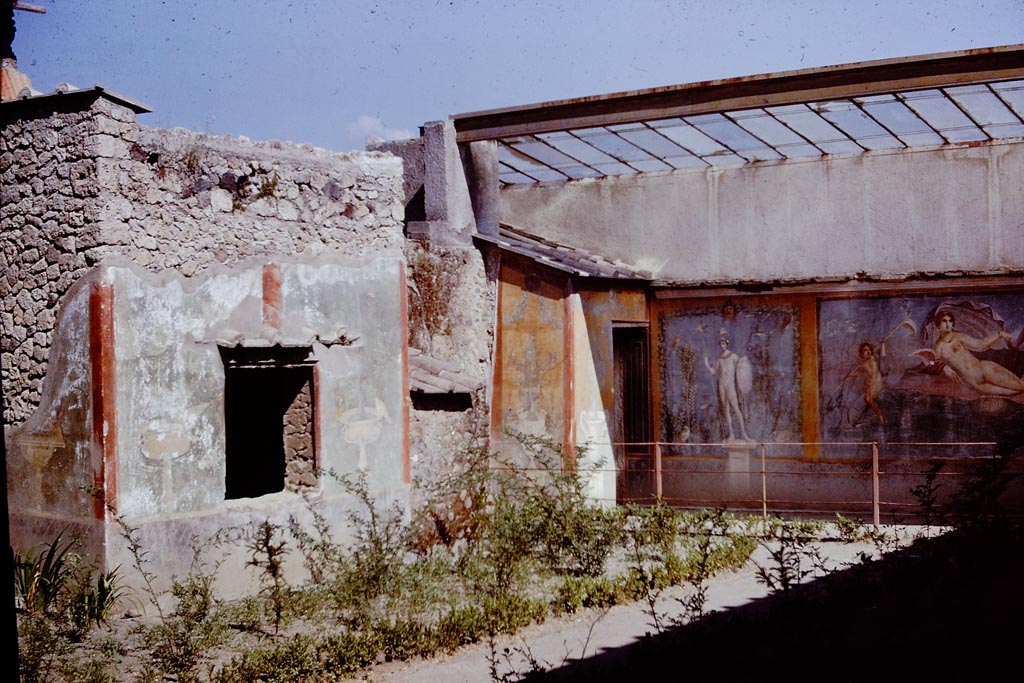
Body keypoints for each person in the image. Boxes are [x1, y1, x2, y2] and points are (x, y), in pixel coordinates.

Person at [932, 311, 1024, 396]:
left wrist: (999, 335)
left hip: (984, 369)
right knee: (1014, 392)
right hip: (975, 383)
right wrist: (944, 367)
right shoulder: (938, 347)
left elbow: (981, 346)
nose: (948, 324)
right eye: (944, 321)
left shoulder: (959, 337)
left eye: (950, 321)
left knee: (1021, 386)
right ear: (938, 326)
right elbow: (931, 362)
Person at [705, 336, 750, 441]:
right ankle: (731, 434)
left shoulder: (733, 356)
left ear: (727, 344)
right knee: (726, 410)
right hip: (722, 385)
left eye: (724, 343)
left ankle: (744, 434)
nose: (722, 346)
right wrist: (707, 365)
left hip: (730, 384)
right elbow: (714, 372)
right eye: (721, 344)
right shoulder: (720, 358)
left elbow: (742, 367)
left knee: (736, 409)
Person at [843, 342, 885, 425]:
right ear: (861, 353)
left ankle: (880, 416)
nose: (868, 352)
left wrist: (883, 345)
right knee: (867, 399)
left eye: (869, 350)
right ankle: (874, 415)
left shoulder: (872, 358)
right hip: (870, 381)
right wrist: (850, 375)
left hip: (876, 380)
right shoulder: (863, 364)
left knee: (868, 399)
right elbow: (859, 373)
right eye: (865, 350)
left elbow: (883, 355)